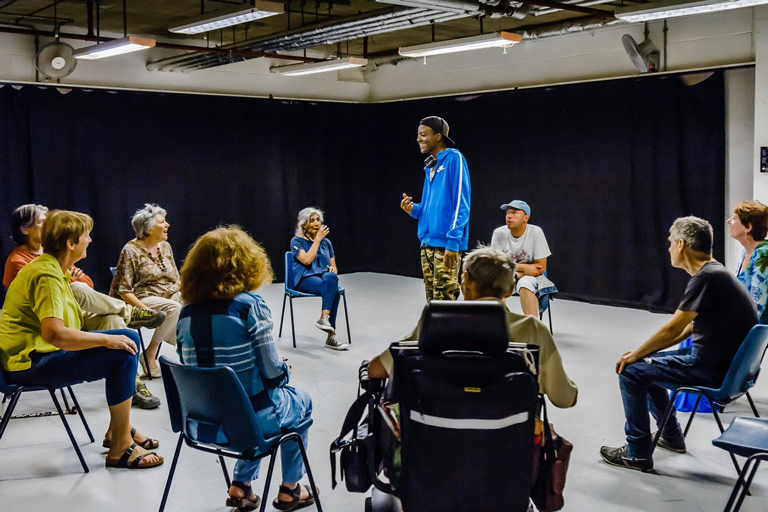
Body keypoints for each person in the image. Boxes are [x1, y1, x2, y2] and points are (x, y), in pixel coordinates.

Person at [0, 210, 164, 469]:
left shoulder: (55, 269)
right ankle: (120, 446)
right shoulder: (46, 275)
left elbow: (71, 324)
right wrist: (105, 341)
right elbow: (54, 334)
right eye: (86, 236)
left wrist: (111, 332)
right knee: (122, 351)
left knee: (126, 336)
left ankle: (119, 431)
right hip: (32, 365)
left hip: (40, 355)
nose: (90, 240)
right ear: (71, 243)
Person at [601, 216, 758, 471]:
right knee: (643, 364)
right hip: (727, 369)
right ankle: (671, 436)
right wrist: (642, 353)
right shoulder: (714, 272)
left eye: (671, 242)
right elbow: (687, 328)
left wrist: (635, 355)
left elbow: (674, 326)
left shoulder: (706, 277)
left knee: (631, 372)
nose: (669, 248)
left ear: (682, 244)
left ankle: (637, 451)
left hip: (712, 371)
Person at [177, 226, 316, 511]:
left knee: (243, 403)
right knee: (299, 403)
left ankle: (242, 485)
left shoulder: (186, 313)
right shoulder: (249, 307)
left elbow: (191, 367)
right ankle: (291, 489)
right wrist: (283, 368)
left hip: (201, 425)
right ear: (246, 265)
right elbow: (273, 373)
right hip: (246, 425)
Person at [369, 246, 577, 409]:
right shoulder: (533, 330)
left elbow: (376, 369)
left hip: (436, 449)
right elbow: (565, 399)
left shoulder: (436, 323)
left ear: (465, 281)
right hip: (508, 452)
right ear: (511, 288)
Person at [400, 116, 470, 302]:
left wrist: (453, 242)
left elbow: (461, 204)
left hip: (446, 246)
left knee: (445, 304)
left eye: (423, 134)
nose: (418, 139)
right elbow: (431, 208)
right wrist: (413, 209)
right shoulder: (430, 167)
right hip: (427, 246)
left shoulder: (454, 158)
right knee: (433, 305)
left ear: (438, 136)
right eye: (418, 135)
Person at [110, 204, 182, 378]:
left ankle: (190, 351)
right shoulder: (131, 250)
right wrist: (146, 310)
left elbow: (176, 279)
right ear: (149, 229)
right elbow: (123, 290)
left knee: (194, 304)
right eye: (162, 222)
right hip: (144, 298)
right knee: (174, 309)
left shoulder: (165, 246)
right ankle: (150, 353)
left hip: (170, 295)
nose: (167, 225)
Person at [289, 207, 348, 351]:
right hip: (304, 279)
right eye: (312, 220)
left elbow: (334, 268)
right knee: (333, 291)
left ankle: (324, 319)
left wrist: (333, 270)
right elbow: (307, 260)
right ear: (304, 224)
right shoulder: (297, 241)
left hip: (323, 279)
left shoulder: (326, 243)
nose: (316, 223)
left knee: (332, 277)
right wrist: (317, 240)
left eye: (318, 220)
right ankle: (331, 335)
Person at [490, 200, 552, 317]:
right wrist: (525, 269)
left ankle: (532, 327)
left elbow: (540, 268)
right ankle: (497, 325)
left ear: (526, 218)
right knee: (498, 284)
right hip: (506, 275)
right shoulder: (499, 233)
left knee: (525, 284)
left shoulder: (536, 232)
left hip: (532, 277)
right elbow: (496, 266)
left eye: (514, 212)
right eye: (507, 213)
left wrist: (515, 270)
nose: (509, 216)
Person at [728, 200, 768, 324]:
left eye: (734, 218)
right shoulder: (746, 253)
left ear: (748, 227)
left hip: (757, 330)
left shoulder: (763, 254)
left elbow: (757, 307)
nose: (728, 221)